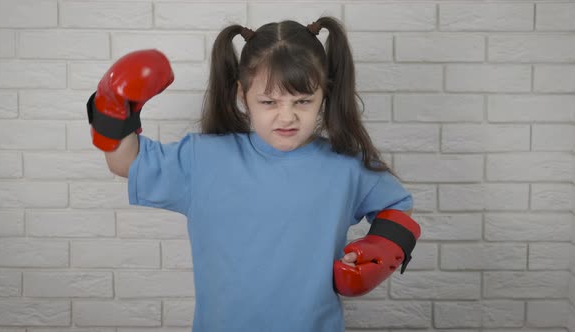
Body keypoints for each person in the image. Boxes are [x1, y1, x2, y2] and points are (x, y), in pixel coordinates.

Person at [86, 16, 421, 332]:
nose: (286, 117)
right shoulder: (202, 158)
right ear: (241, 95)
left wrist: (378, 252)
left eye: (303, 101)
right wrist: (112, 104)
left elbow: (397, 204)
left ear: (324, 95)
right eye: (269, 102)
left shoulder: (344, 166)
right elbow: (124, 162)